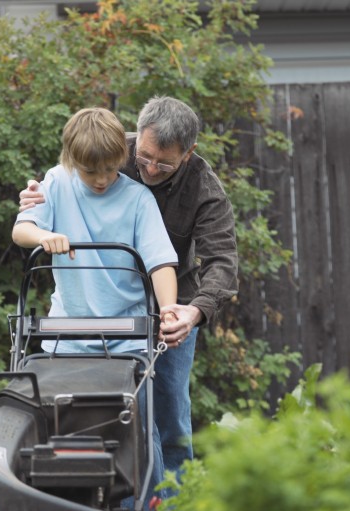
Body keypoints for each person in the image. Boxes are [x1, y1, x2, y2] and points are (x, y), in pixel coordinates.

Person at [19, 96, 239, 490]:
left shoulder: (201, 190)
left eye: (165, 164)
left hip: (162, 315)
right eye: (145, 158)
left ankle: (168, 510)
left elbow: (214, 263)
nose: (151, 169)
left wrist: (182, 311)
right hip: (77, 317)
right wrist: (35, 206)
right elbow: (72, 166)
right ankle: (97, 499)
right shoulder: (109, 152)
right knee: (80, 411)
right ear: (134, 144)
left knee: (165, 413)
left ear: (188, 154)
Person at [12, 107, 179, 509]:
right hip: (65, 335)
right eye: (91, 172)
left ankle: (155, 510)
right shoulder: (55, 183)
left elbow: (160, 262)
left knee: (139, 421)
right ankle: (59, 502)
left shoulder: (138, 198)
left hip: (126, 338)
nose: (102, 180)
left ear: (122, 156)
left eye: (109, 169)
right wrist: (44, 234)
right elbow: (22, 230)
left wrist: (170, 309)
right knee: (55, 419)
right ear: (71, 160)